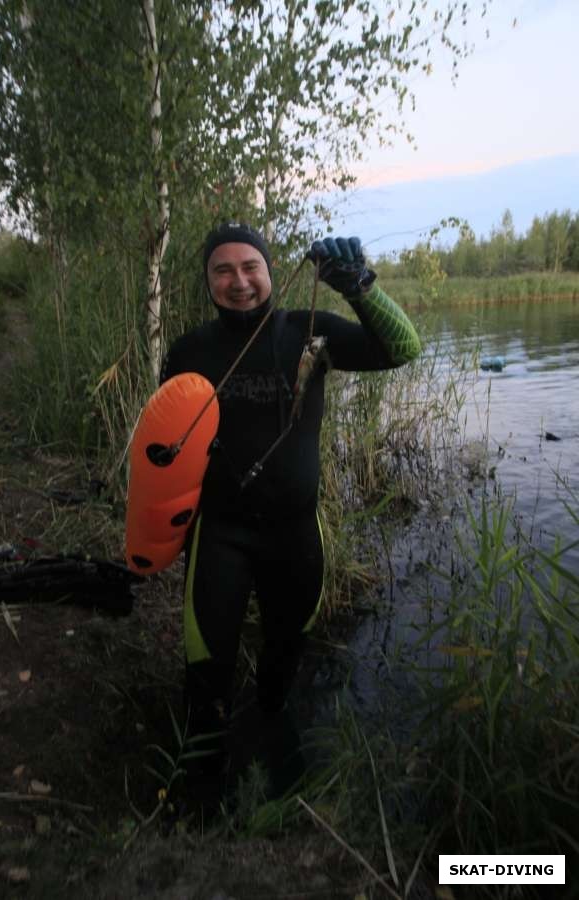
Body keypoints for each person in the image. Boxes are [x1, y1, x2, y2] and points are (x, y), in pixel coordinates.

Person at [159, 223, 421, 770]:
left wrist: (359, 287)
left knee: (282, 664)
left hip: (295, 534)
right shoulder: (188, 351)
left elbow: (403, 349)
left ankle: (276, 766)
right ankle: (202, 795)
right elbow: (167, 443)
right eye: (222, 270)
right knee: (207, 674)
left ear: (270, 272)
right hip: (220, 535)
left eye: (250, 267)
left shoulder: (310, 331)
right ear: (208, 281)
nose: (239, 282)